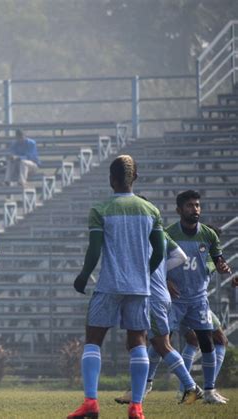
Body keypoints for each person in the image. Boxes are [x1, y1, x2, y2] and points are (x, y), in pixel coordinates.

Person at [67, 155, 165, 419]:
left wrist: (84, 275)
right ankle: (136, 407)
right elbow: (160, 251)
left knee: (93, 340)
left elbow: (95, 249)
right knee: (138, 342)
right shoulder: (151, 210)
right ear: (135, 178)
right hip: (139, 287)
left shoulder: (100, 209)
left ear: (111, 180)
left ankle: (91, 403)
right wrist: (145, 273)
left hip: (109, 284)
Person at [114, 230, 200, 405]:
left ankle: (191, 387)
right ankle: (140, 388)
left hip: (150, 297)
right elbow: (181, 256)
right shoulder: (160, 233)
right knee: (136, 343)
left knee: (162, 345)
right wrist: (160, 270)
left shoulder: (135, 235)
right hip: (157, 295)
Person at [166, 190, 232, 404]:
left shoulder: (209, 240)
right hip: (176, 300)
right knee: (160, 341)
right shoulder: (169, 235)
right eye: (190, 205)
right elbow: (157, 263)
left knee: (201, 340)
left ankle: (203, 390)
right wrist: (165, 280)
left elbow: (218, 263)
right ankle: (184, 387)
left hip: (197, 300)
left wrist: (223, 268)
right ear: (179, 210)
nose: (195, 209)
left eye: (197, 205)